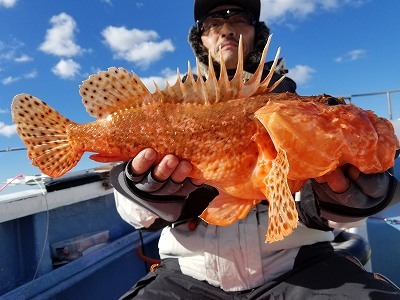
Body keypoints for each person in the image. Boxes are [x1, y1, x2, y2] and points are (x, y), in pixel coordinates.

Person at [110, 0, 400, 298]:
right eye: (213, 23)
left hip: (301, 268)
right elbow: (136, 217)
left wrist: (350, 200)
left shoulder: (294, 108)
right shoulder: (169, 111)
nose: (226, 30)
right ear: (201, 38)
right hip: (186, 276)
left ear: (255, 32)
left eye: (238, 18)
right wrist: (141, 191)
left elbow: (330, 214)